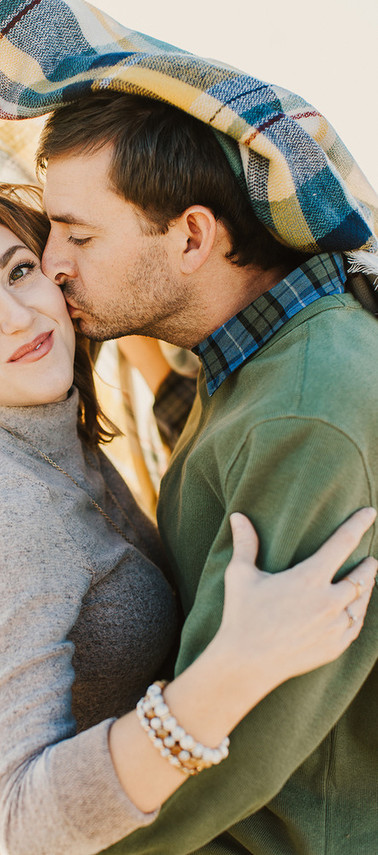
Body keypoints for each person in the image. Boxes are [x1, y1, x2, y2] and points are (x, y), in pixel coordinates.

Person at [0, 181, 376, 855]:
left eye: (19, 270)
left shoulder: (50, 439)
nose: (16, 314)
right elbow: (21, 821)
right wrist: (236, 668)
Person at [34, 93, 378, 854]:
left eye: (79, 235)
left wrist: (48, 842)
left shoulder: (302, 412)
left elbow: (240, 747)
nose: (52, 263)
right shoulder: (249, 356)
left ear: (192, 236)